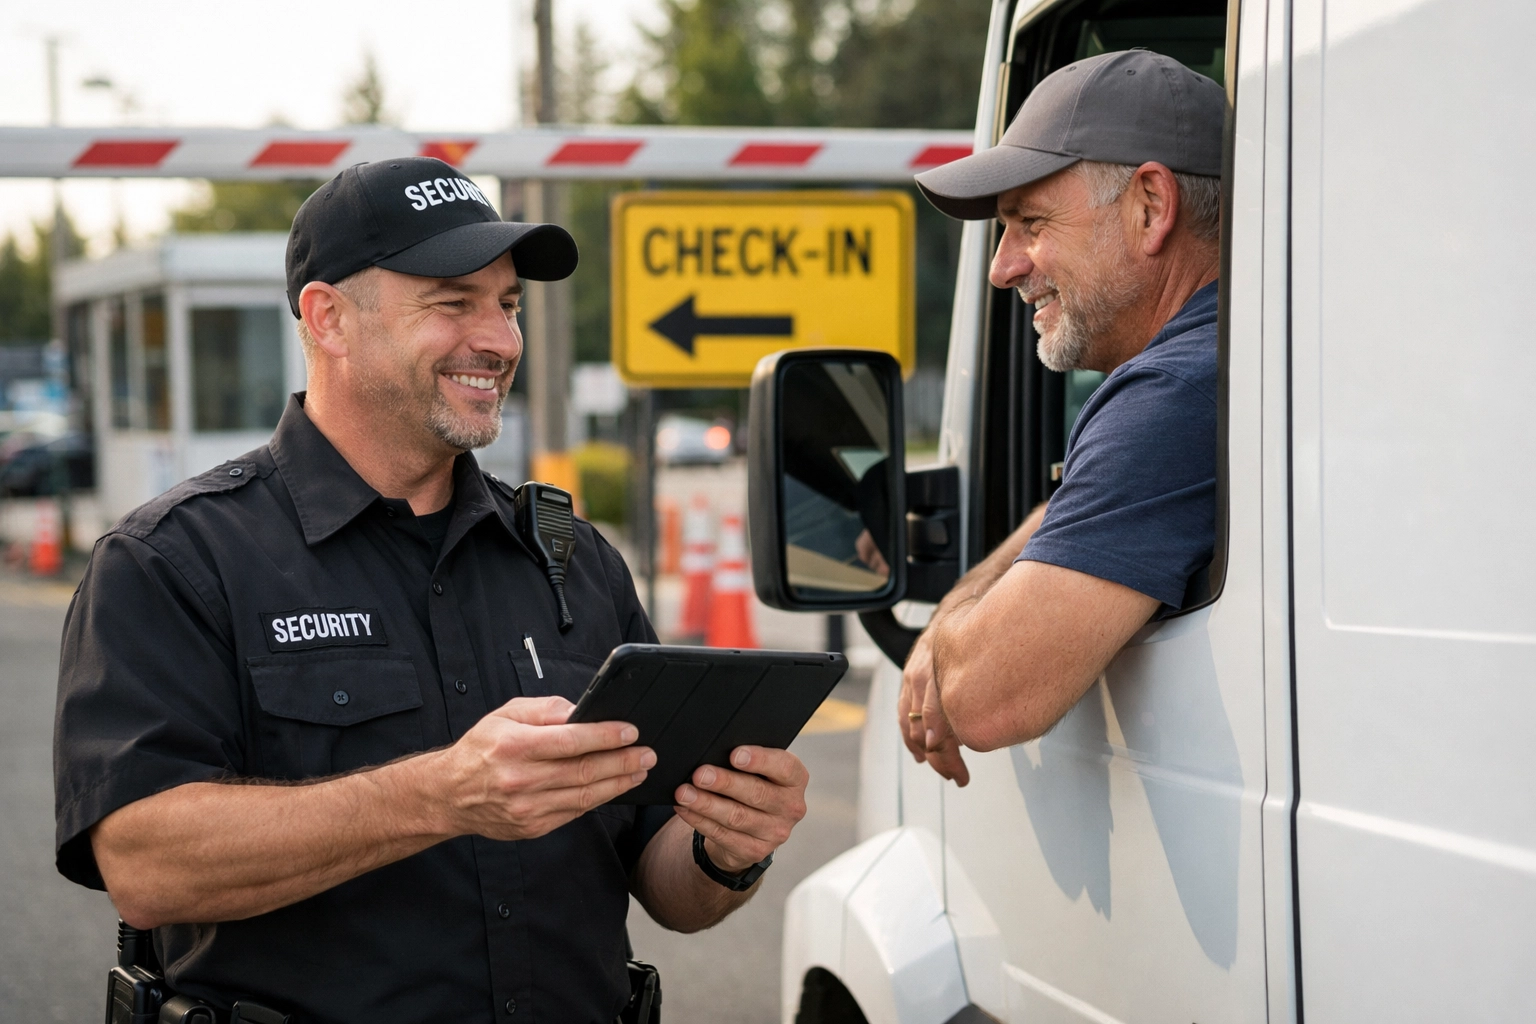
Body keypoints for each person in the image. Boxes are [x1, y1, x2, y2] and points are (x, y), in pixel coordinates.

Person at [53, 156, 808, 1022]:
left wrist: (725, 847)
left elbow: (665, 884)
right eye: (454, 303)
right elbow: (147, 868)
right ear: (328, 318)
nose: (500, 339)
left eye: (509, 304)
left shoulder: (574, 562)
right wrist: (440, 795)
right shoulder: (175, 561)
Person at [899, 50, 1225, 784]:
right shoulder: (1229, 357)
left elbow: (983, 699)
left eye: (1030, 223)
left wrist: (948, 628)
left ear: (1150, 205)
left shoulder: (1173, 392)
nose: (1002, 265)